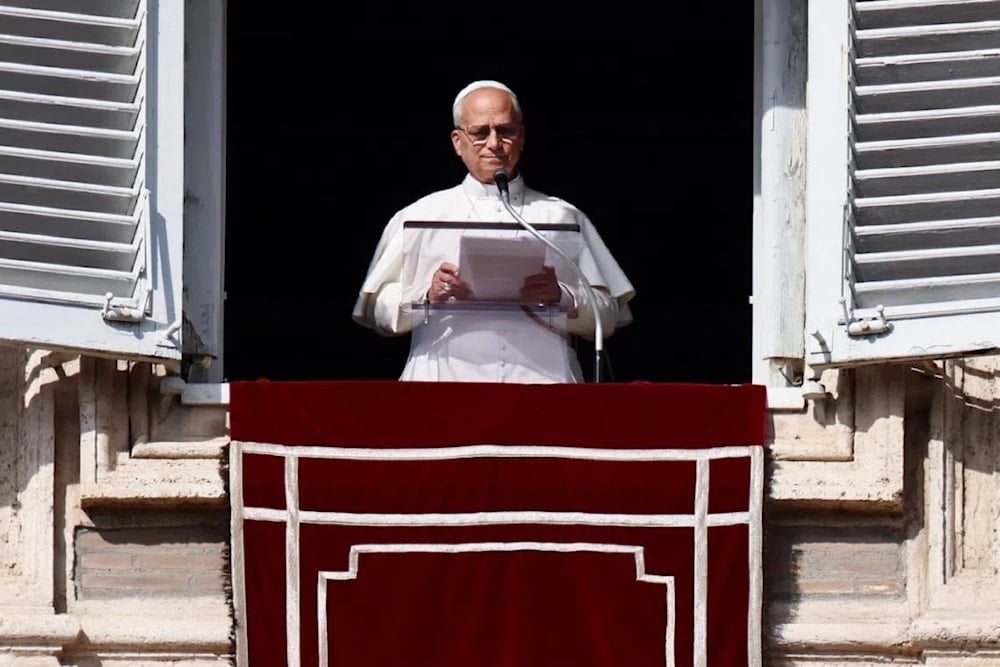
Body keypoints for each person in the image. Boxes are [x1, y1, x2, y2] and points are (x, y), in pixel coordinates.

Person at [352, 79, 634, 383]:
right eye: (479, 133)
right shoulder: (419, 215)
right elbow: (377, 312)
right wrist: (427, 294)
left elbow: (608, 315)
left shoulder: (562, 215)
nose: (494, 143)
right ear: (457, 141)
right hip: (442, 385)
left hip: (544, 389)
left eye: (506, 130)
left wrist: (562, 296)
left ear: (522, 136)